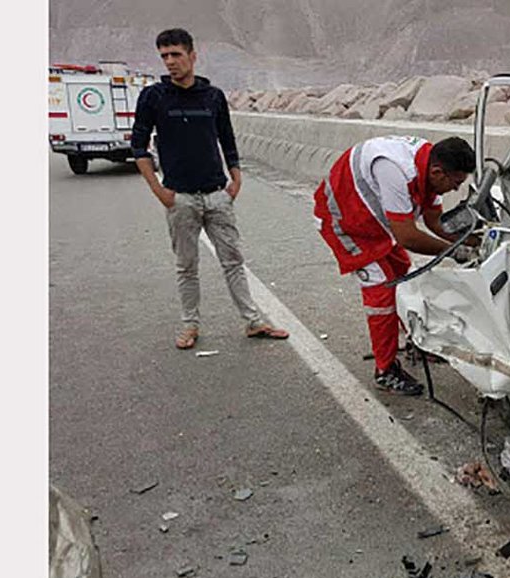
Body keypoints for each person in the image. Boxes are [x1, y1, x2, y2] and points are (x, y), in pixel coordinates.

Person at [130, 27, 289, 350]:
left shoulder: (212, 96)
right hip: (180, 198)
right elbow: (138, 147)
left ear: (192, 55)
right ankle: (190, 325)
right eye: (164, 56)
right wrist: (159, 191)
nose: (170, 62)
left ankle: (253, 321)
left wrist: (236, 179)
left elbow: (226, 138)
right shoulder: (153, 97)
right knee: (186, 266)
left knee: (233, 260)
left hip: (217, 195)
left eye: (176, 54)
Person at [313, 135, 476, 395]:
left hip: (375, 224)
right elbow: (408, 236)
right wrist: (456, 252)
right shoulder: (395, 170)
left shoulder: (430, 167)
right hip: (345, 223)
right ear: (437, 172)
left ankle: (415, 340)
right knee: (381, 292)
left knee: (403, 277)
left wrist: (474, 239)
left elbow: (436, 222)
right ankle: (385, 370)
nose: (456, 190)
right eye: (455, 183)